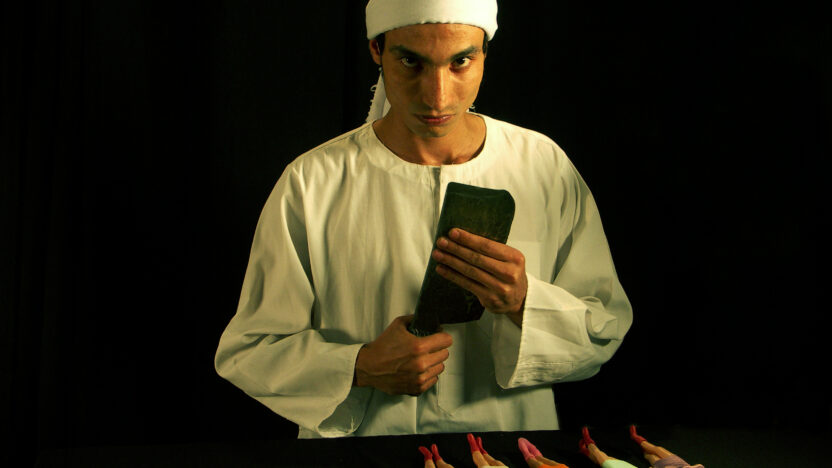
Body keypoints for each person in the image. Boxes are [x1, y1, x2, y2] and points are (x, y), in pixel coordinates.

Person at [214, 0, 632, 438]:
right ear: (376, 49)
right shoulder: (312, 183)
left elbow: (603, 328)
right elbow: (250, 351)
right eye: (411, 61)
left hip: (508, 450)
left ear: (485, 53)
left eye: (460, 62)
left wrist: (524, 302)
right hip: (363, 451)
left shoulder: (543, 167)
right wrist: (358, 366)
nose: (437, 97)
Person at [579, 426, 704, 468]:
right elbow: (699, 466)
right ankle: (636, 437)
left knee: (607, 460)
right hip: (679, 465)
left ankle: (589, 444)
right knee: (655, 451)